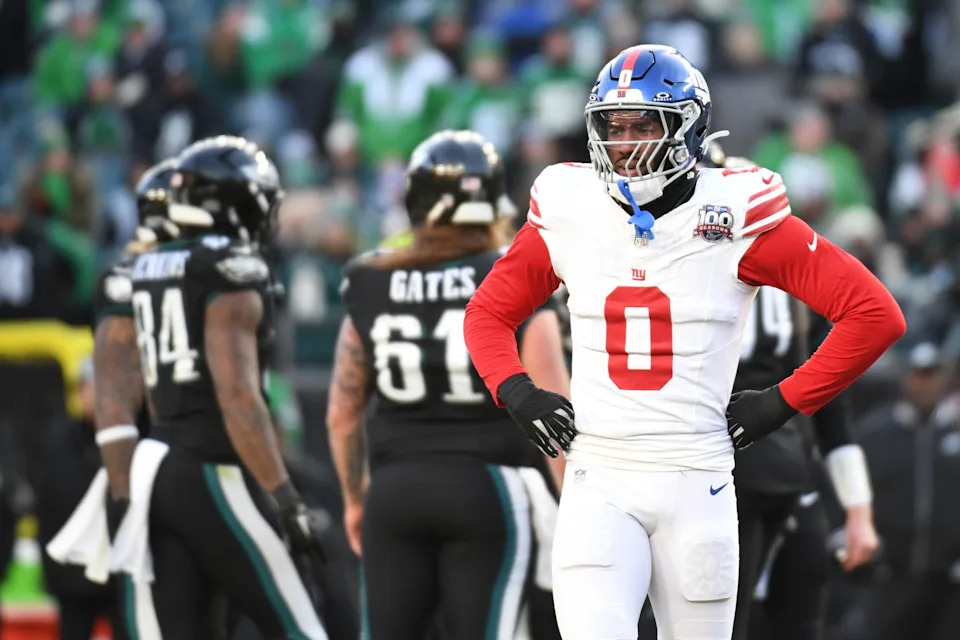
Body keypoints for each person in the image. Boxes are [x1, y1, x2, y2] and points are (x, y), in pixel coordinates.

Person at [463, 44, 905, 639]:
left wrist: (782, 400)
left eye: (644, 124)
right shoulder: (572, 206)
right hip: (600, 474)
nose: (624, 143)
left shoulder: (736, 211)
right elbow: (487, 313)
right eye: (612, 126)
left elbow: (875, 314)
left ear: (688, 128)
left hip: (698, 476)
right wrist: (516, 390)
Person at [327, 129, 569, 640]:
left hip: (395, 492)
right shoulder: (514, 275)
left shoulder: (370, 278)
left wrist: (355, 498)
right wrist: (578, 506)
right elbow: (556, 417)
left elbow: (343, 413)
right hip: (488, 490)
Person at [121, 136, 328, 639]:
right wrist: (286, 499)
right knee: (302, 626)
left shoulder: (152, 263)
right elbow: (237, 395)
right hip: (212, 466)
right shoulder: (232, 267)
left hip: (158, 458)